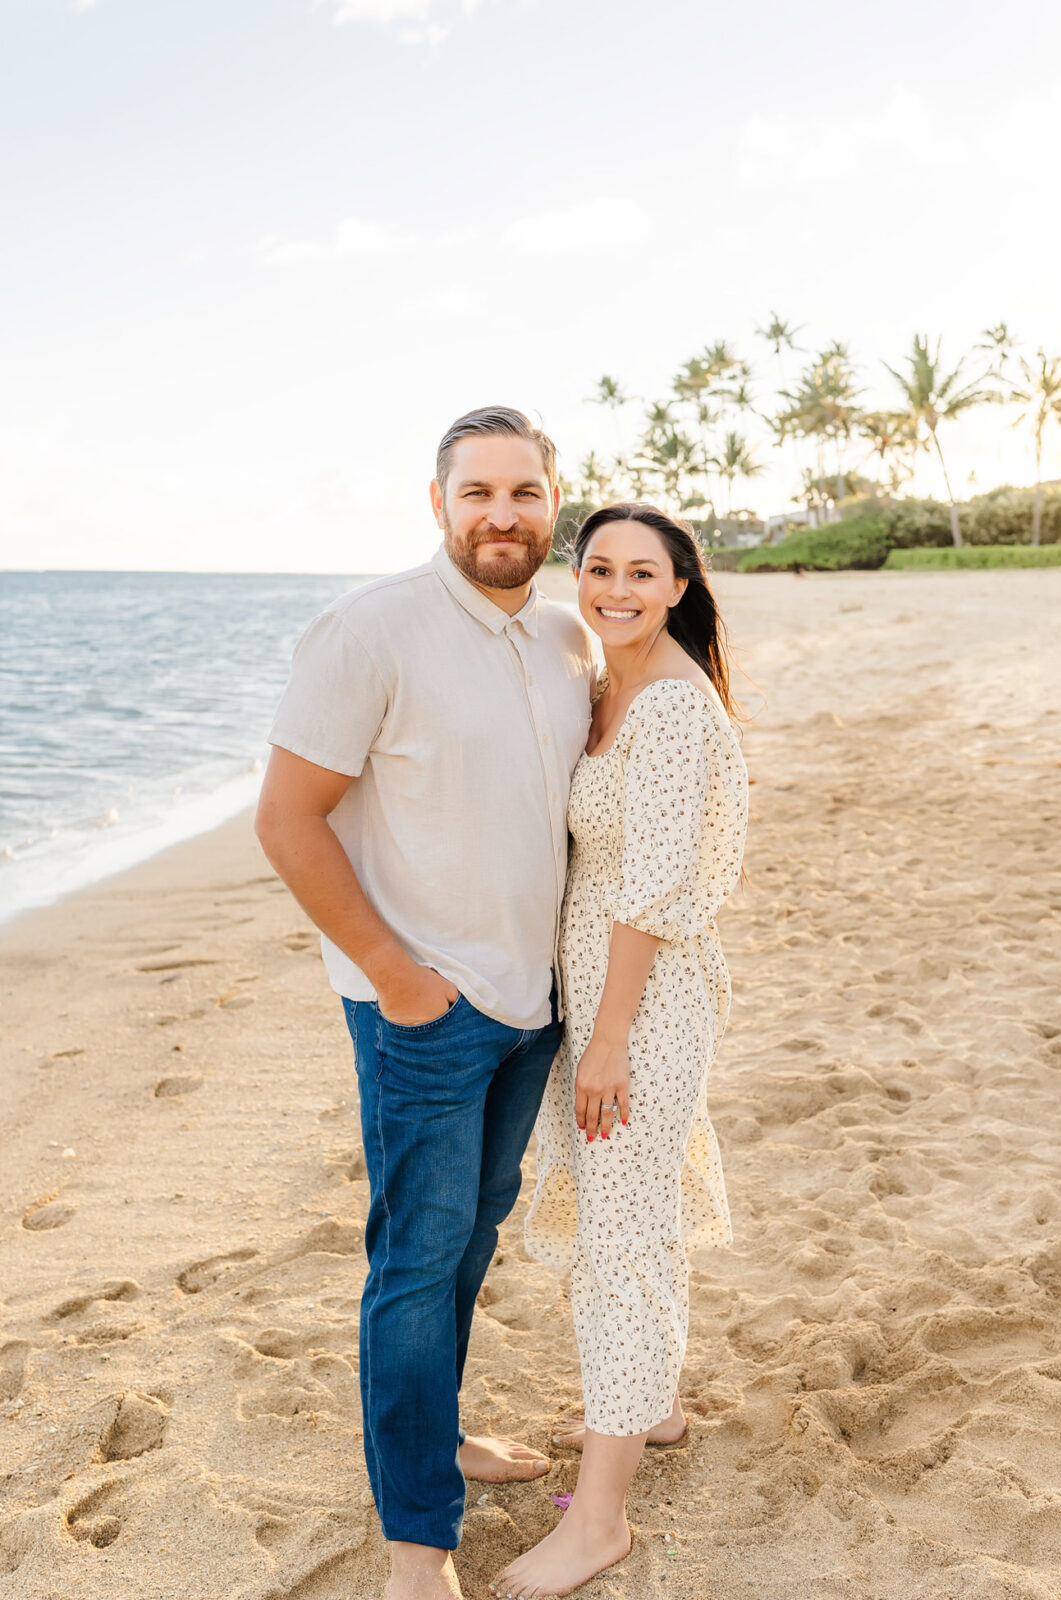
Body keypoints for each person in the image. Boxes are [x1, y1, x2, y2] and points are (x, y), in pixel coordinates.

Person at [255, 407, 597, 1600]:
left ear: (553, 502)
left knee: (469, 1237)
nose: (501, 514)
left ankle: (438, 1435)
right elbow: (286, 821)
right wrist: (401, 979)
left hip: (527, 1003)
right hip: (422, 1014)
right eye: (477, 493)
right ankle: (417, 1546)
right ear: (437, 503)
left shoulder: (562, 637)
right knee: (411, 1260)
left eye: (523, 492)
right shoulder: (369, 631)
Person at [491, 503, 748, 1599]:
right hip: (603, 985)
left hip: (635, 1000)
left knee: (624, 1237)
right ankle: (654, 1405)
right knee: (632, 1206)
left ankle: (597, 1523)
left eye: (642, 572)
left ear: (679, 585)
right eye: (596, 567)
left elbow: (647, 886)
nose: (614, 587)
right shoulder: (610, 685)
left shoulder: (673, 711)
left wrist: (605, 1039)